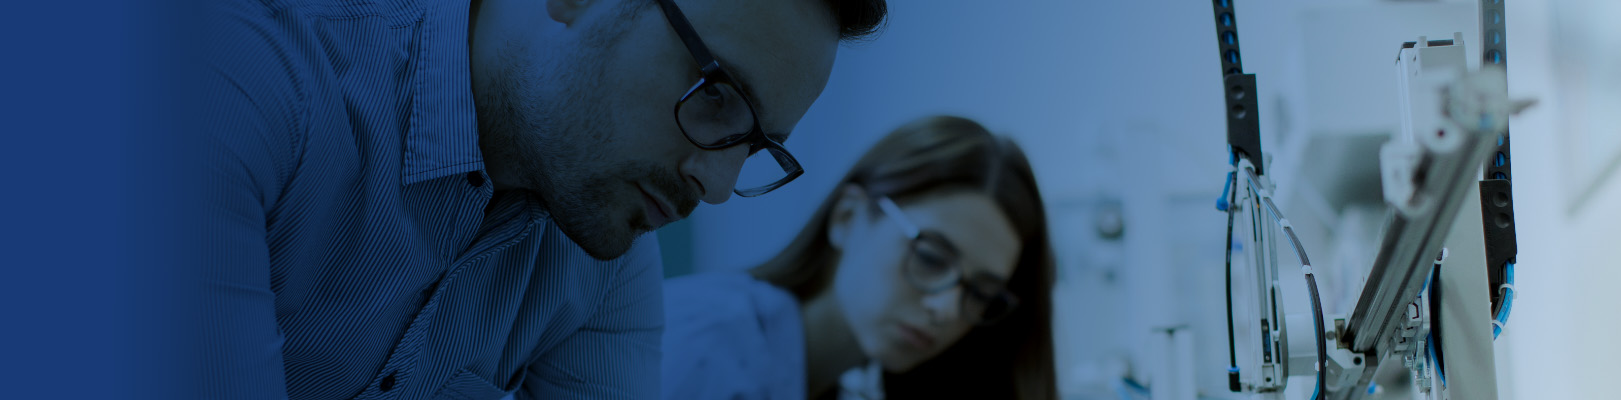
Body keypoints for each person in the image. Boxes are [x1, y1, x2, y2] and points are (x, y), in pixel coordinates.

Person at [194, 0, 886, 398]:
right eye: (717, 95)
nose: (720, 184)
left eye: (758, 145)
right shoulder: (240, 75)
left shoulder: (605, 256)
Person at [662, 116, 1059, 400]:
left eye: (980, 294)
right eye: (931, 258)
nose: (947, 310)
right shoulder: (705, 344)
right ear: (848, 217)